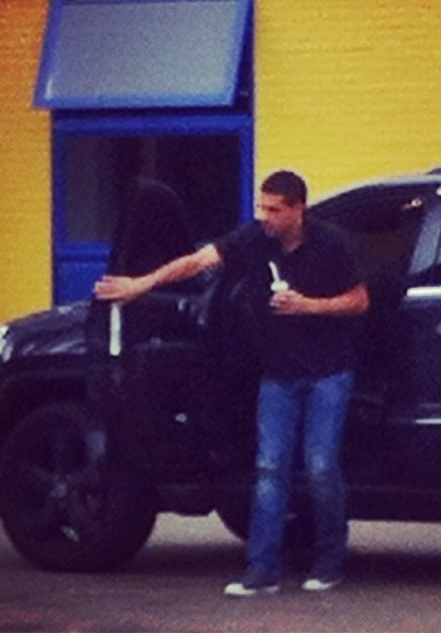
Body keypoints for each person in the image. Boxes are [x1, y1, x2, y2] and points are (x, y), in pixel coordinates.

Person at [94, 170, 369, 596]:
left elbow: (359, 300)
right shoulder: (254, 239)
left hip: (328, 374)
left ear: (298, 210)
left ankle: (330, 561)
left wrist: (309, 306)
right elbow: (199, 261)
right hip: (278, 376)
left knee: (320, 469)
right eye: (261, 206)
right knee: (269, 470)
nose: (264, 216)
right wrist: (142, 284)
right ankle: (262, 571)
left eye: (273, 209)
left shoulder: (331, 243)